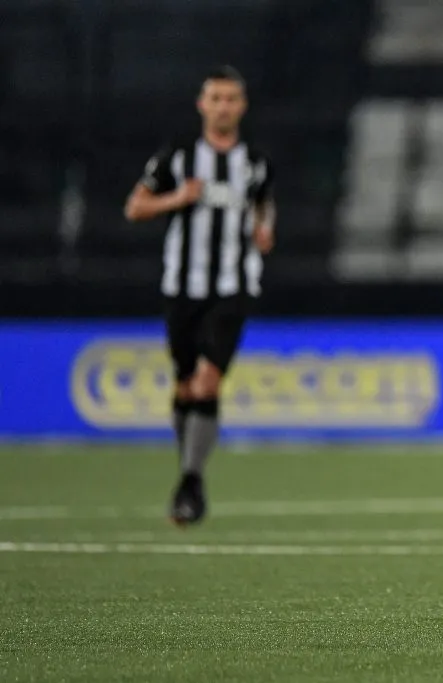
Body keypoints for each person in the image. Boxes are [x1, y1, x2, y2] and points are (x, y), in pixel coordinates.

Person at [123, 65, 275, 526]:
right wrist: (177, 199)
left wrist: (265, 230)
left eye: (231, 98)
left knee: (209, 380)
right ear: (202, 104)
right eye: (216, 98)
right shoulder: (179, 156)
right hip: (182, 284)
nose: (224, 106)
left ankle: (190, 480)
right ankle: (189, 471)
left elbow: (264, 204)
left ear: (242, 106)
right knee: (186, 382)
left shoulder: (255, 160)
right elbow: (135, 207)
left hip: (233, 284)